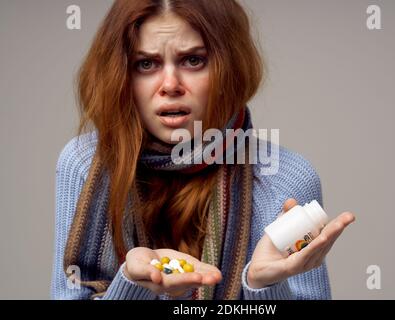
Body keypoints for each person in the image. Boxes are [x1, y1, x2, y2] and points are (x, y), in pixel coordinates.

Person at [51, 0, 355, 300]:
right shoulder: (85, 164)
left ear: (230, 69)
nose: (170, 84)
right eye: (146, 64)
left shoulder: (286, 179)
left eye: (193, 60)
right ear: (122, 76)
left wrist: (263, 285)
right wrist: (131, 283)